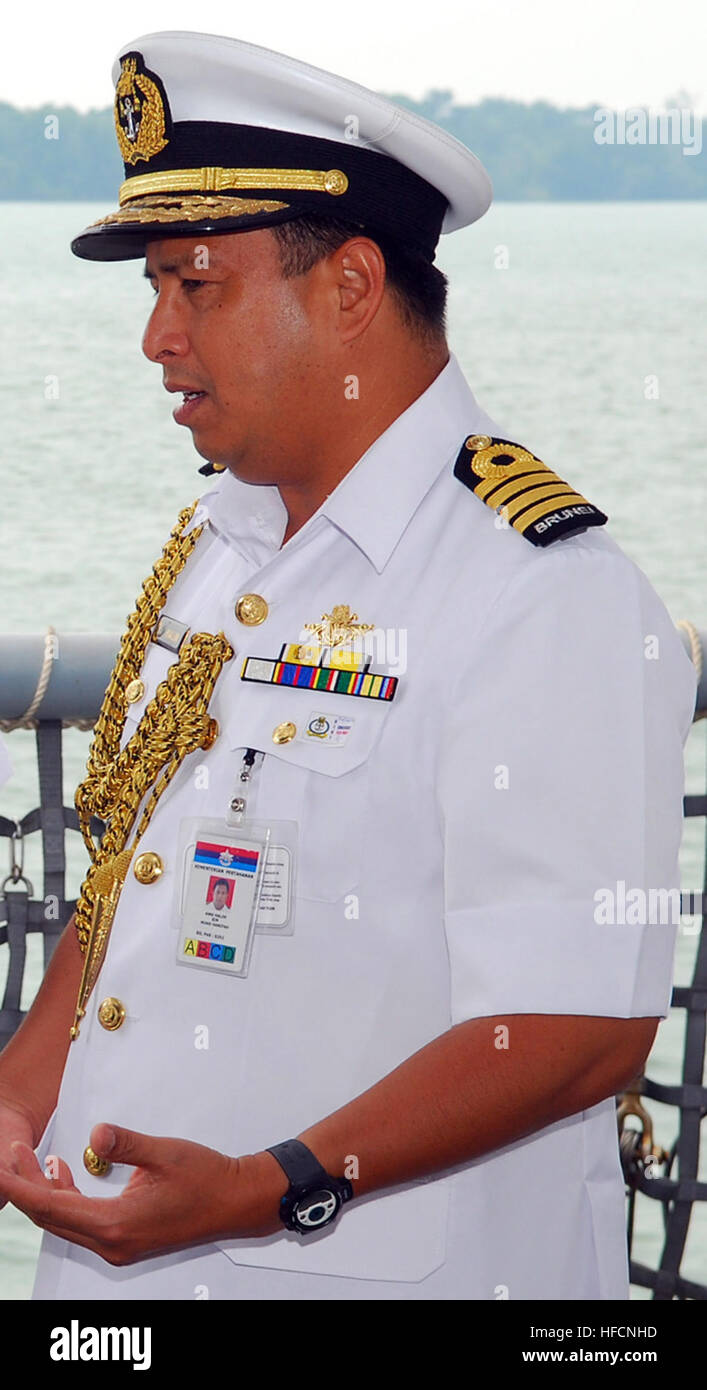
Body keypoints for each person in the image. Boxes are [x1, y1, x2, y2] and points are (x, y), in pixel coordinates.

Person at [0, 30, 697, 1301]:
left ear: (351, 286)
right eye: (153, 287)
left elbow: (579, 1026)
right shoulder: (222, 546)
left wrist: (274, 1182)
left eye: (194, 285)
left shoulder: (540, 588)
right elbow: (124, 883)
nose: (155, 338)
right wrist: (19, 1088)